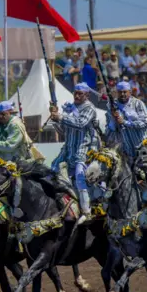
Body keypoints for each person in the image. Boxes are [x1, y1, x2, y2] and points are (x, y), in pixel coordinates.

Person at [49, 83, 99, 225]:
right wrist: (55, 119)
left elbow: (80, 123)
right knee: (52, 170)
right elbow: (64, 130)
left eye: (80, 94)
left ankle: (86, 211)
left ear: (87, 95)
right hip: (68, 149)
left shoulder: (89, 108)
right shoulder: (71, 107)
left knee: (79, 176)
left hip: (84, 149)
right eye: (75, 93)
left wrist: (61, 117)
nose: (76, 96)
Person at [105, 81, 147, 161]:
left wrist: (125, 122)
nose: (122, 94)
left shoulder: (138, 103)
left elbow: (145, 122)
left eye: (124, 92)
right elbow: (110, 129)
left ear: (130, 92)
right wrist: (114, 119)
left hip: (141, 145)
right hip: (125, 149)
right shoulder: (112, 106)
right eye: (120, 92)